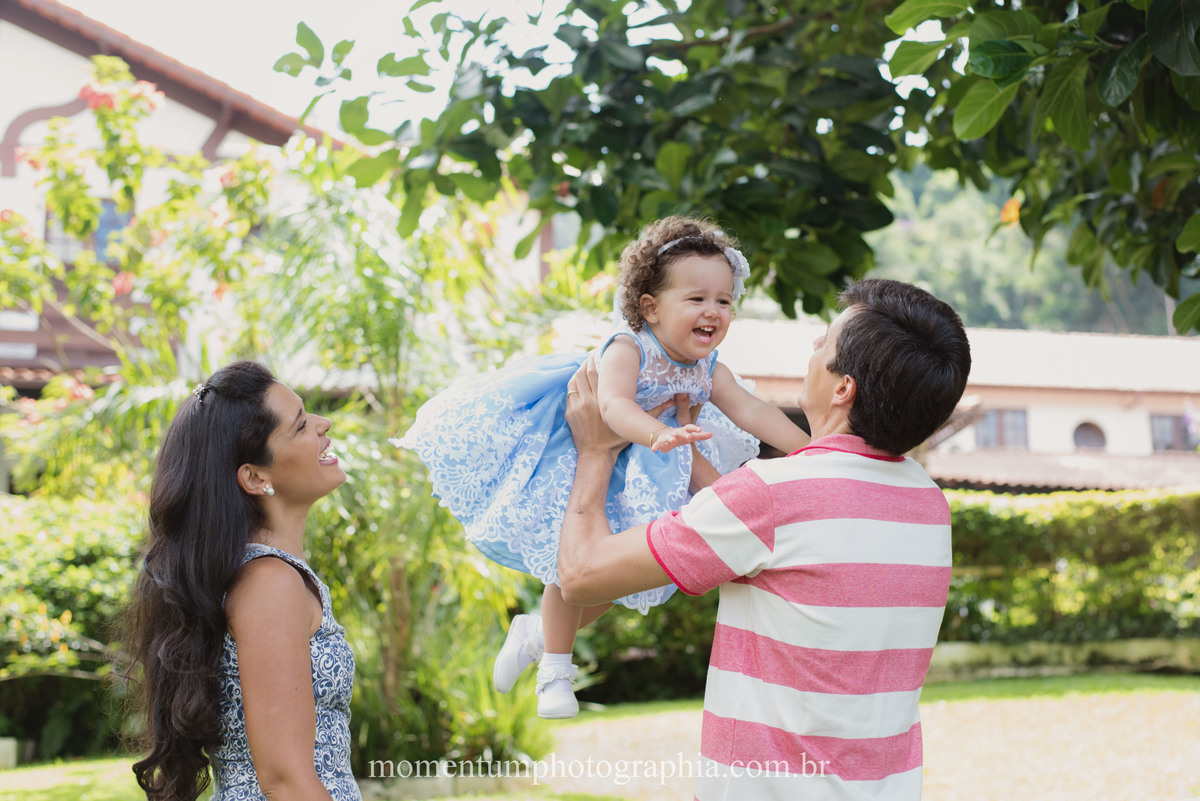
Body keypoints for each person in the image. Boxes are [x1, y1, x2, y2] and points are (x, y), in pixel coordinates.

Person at [558, 278, 972, 799]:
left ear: (843, 387)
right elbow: (779, 532)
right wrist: (690, 460)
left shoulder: (773, 496)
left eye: (823, 342)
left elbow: (580, 574)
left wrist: (596, 452)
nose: (811, 350)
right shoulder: (926, 503)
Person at [395, 216, 810, 718]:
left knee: (616, 577)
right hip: (585, 454)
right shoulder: (627, 347)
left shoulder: (710, 366)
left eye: (724, 301)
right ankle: (554, 671)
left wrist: (814, 452)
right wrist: (659, 433)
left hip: (651, 467)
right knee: (573, 563)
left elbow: (754, 410)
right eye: (697, 299)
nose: (713, 312)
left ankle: (533, 632)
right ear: (649, 308)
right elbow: (612, 408)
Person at [122, 360, 360, 801]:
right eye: (302, 425)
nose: (324, 425)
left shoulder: (268, 574)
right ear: (254, 476)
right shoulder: (269, 582)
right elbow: (284, 780)